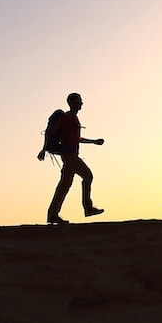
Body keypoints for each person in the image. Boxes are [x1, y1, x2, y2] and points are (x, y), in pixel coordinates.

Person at [41, 92, 105, 224]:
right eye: (79, 101)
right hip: (69, 156)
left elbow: (76, 139)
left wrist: (93, 141)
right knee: (87, 176)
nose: (82, 103)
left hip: (70, 155)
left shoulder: (74, 119)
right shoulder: (67, 118)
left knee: (64, 185)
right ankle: (88, 208)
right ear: (73, 103)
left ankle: (53, 214)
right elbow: (52, 133)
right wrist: (43, 149)